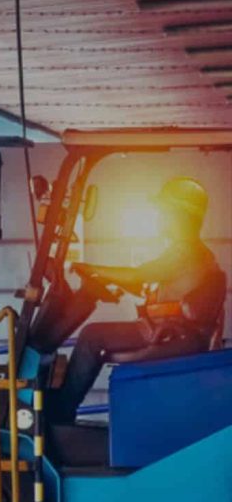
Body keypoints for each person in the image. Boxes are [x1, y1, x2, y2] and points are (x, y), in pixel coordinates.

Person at [49, 176, 225, 422]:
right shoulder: (193, 252)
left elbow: (140, 274)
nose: (160, 217)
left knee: (91, 336)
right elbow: (143, 283)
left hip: (167, 333)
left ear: (181, 215)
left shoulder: (185, 251)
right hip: (171, 330)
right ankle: (62, 409)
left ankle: (60, 412)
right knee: (95, 337)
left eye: (164, 211)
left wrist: (91, 268)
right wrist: (108, 280)